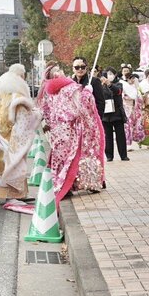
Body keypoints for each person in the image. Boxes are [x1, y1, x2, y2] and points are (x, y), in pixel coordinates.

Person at [38, 66, 105, 203]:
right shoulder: (70, 88)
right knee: (81, 153)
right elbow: (80, 107)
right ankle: (88, 182)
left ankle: (64, 185)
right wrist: (87, 93)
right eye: (59, 69)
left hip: (57, 130)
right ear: (57, 74)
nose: (62, 71)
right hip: (72, 129)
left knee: (61, 157)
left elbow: (45, 112)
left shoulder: (48, 91)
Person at [0, 64, 41, 200]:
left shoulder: (1, 93)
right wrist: (37, 115)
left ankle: (9, 194)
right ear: (21, 76)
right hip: (13, 135)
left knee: (3, 164)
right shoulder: (17, 96)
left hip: (1, 134)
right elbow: (24, 119)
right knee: (15, 165)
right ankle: (16, 195)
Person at [100, 67, 129, 162]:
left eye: (112, 73)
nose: (110, 76)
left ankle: (123, 155)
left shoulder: (119, 84)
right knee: (107, 136)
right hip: (105, 114)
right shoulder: (100, 85)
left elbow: (118, 91)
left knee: (120, 135)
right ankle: (109, 155)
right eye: (108, 74)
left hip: (117, 113)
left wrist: (109, 84)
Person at [134, 70, 149, 148]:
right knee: (146, 125)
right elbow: (138, 97)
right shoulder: (142, 85)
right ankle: (143, 141)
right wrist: (144, 96)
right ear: (146, 77)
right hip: (145, 108)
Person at [121, 73, 139, 149]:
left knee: (131, 126)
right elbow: (123, 96)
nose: (132, 80)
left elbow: (138, 97)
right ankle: (127, 144)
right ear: (127, 79)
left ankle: (130, 143)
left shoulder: (134, 86)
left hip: (132, 108)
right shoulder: (123, 86)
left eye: (133, 79)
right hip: (126, 107)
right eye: (131, 78)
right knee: (127, 126)